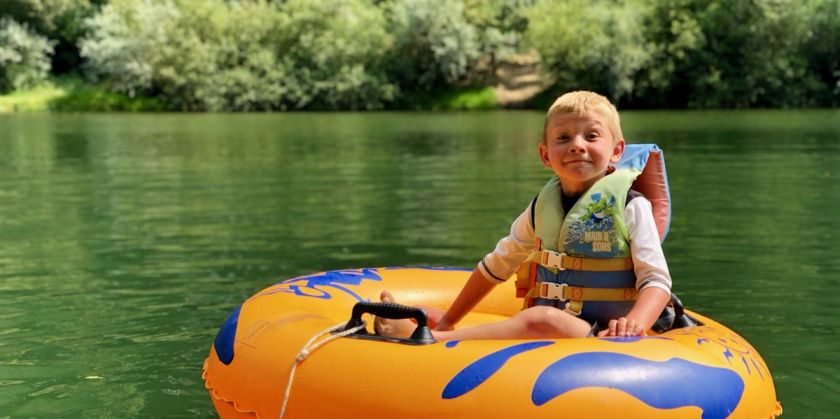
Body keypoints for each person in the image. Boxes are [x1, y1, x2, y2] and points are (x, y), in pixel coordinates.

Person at [376, 91, 672, 340]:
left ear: (616, 151)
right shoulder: (540, 208)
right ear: (545, 156)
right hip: (561, 325)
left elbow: (657, 281)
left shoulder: (632, 207)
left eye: (591, 136)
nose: (577, 145)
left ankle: (429, 340)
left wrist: (634, 324)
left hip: (606, 335)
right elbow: (495, 266)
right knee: (540, 319)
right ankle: (441, 328)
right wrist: (449, 318)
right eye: (563, 137)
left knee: (540, 319)